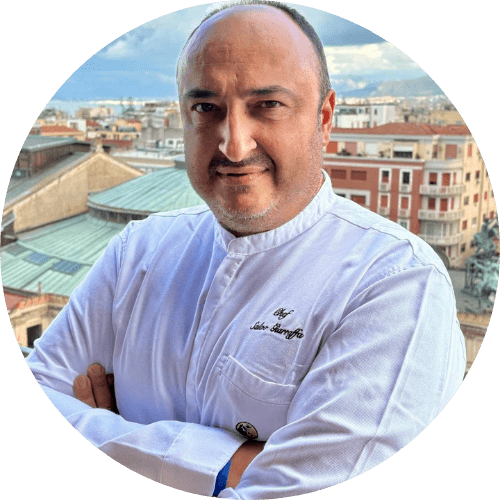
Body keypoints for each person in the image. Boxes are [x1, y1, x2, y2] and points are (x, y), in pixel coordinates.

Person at [26, 1, 466, 498]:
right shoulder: (137, 251)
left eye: (267, 105)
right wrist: (225, 464)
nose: (234, 146)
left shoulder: (396, 282)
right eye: (206, 108)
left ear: (323, 118)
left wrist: (106, 439)